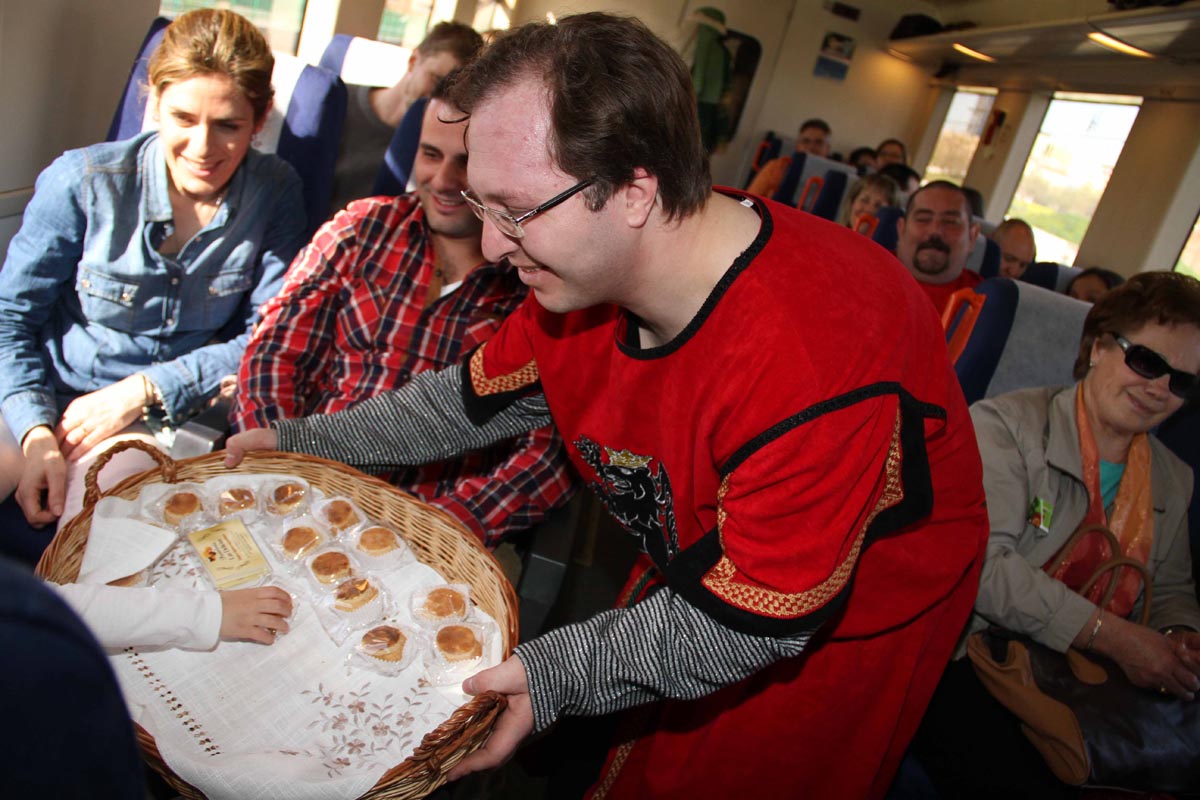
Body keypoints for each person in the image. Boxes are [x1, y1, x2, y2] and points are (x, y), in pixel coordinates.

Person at [225, 13, 988, 798]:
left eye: (513, 212)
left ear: (634, 189)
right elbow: (463, 406)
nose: (490, 248)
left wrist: (554, 672)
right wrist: (296, 439)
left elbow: (747, 619)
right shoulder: (591, 272)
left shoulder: (821, 364)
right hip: (701, 558)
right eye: (484, 211)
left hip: (832, 627)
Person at [0, 9, 306, 562]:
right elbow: (9, 320)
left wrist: (141, 391)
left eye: (228, 126)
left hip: (150, 421)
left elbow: (268, 336)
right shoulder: (82, 183)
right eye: (183, 118)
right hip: (36, 392)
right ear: (153, 104)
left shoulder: (275, 192)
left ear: (259, 120)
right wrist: (35, 432)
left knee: (91, 541)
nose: (202, 147)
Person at [234, 76, 574, 546]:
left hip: (432, 521)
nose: (444, 182)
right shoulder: (362, 229)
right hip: (305, 479)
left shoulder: (542, 282)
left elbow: (547, 453)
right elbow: (275, 352)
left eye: (467, 164)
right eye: (430, 155)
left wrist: (436, 527)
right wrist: (279, 466)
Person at [913, 271, 1200, 799]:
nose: (1160, 388)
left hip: (1085, 679)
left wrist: (1180, 636)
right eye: (1148, 362)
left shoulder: (1173, 478)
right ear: (1097, 346)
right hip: (972, 660)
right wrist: (1117, 637)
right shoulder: (1004, 427)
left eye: (1180, 381)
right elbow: (986, 569)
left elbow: (1175, 588)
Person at [327, 22, 484, 212]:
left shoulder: (436, 151)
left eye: (453, 91)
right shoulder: (334, 103)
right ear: (413, 61)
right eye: (436, 79)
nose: (438, 96)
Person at [895, 180, 982, 315]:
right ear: (901, 229)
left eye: (950, 222)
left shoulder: (985, 304)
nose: (935, 231)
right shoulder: (866, 273)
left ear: (972, 237)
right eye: (923, 219)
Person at [745, 117, 833, 198]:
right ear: (797, 146)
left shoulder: (834, 181)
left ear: (828, 149)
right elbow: (750, 199)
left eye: (819, 142)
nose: (811, 147)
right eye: (806, 141)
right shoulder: (775, 167)